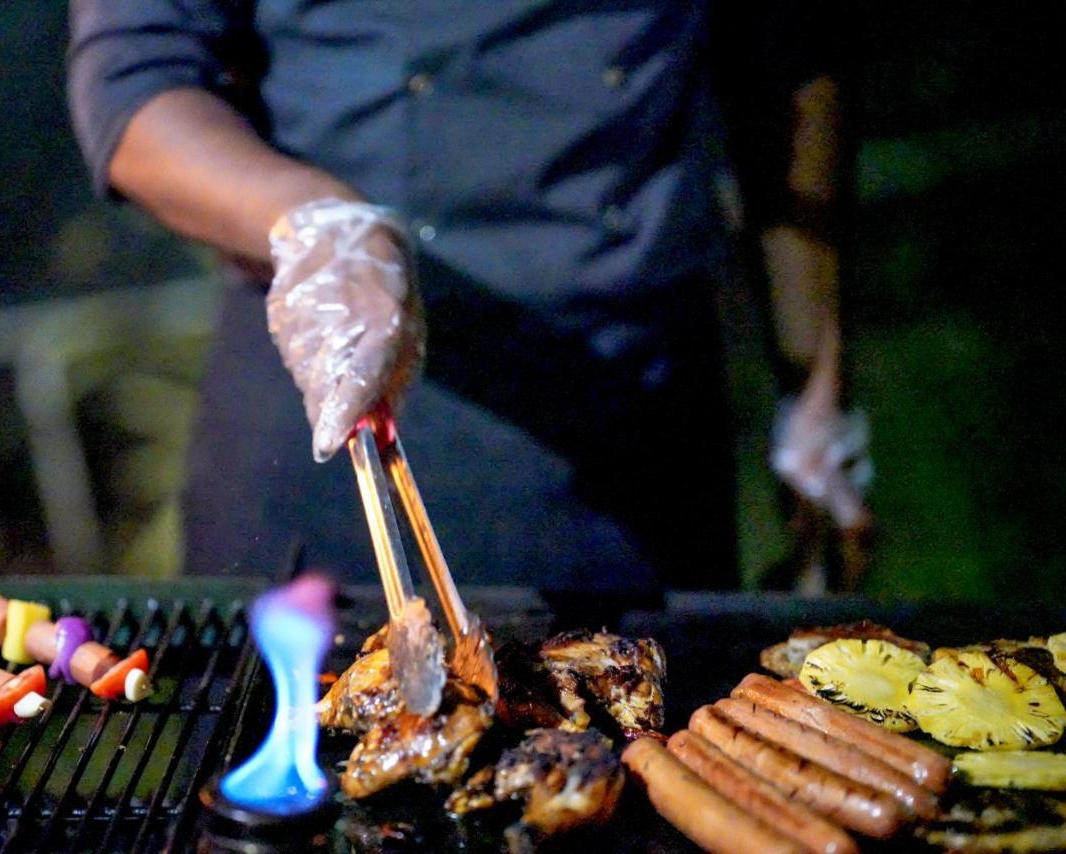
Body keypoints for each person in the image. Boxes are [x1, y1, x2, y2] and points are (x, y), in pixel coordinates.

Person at [66, 1, 870, 603]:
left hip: (644, 426)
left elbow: (790, 58)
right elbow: (134, 89)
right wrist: (316, 221)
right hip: (347, 427)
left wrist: (816, 399)